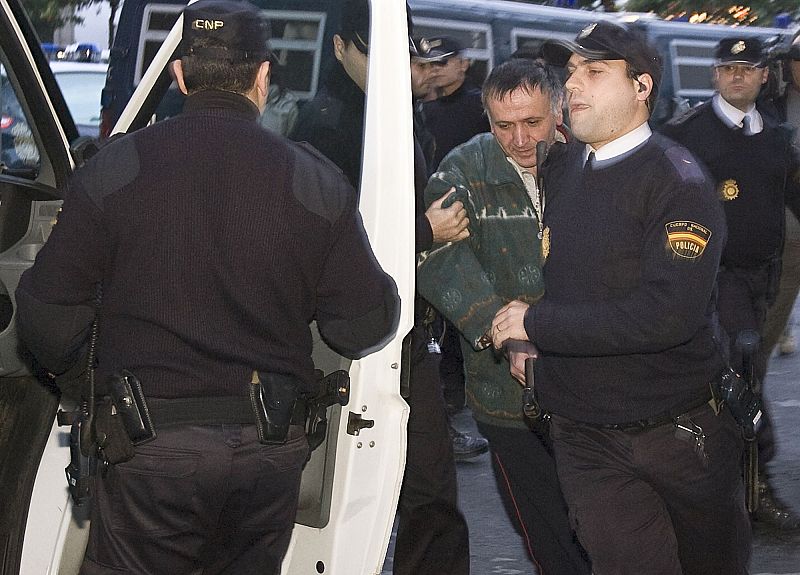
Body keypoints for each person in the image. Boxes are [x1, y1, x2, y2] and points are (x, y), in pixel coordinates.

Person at [14, 1, 400, 573]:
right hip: (269, 452)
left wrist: (92, 385)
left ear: (179, 75)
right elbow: (366, 323)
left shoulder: (114, 170)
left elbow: (44, 314)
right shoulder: (314, 179)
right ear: (263, 77)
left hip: (149, 446)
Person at [492, 21, 750, 574]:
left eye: (594, 71)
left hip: (676, 433)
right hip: (584, 437)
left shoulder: (677, 183)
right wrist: (531, 340)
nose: (572, 84)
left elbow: (666, 316)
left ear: (641, 86)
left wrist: (537, 325)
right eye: (571, 72)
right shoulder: (563, 167)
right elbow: (567, 278)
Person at [292, 2, 471, 573]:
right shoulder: (328, 125)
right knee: (367, 492)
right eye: (370, 51)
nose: (386, 63)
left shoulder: (386, 107)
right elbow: (328, 239)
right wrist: (425, 230)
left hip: (402, 327)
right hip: (353, 333)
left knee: (429, 492)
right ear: (340, 48)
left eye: (396, 51)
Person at [416, 58, 591, 575]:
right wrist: (504, 330)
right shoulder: (465, 169)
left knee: (603, 522)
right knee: (547, 531)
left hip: (593, 387)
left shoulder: (592, 159)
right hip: (506, 396)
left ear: (558, 110)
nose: (519, 140)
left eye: (532, 123)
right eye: (503, 125)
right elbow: (439, 257)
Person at [661, 36, 800, 531]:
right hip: (713, 278)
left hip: (765, 276)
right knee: (739, 365)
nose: (737, 76)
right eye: (728, 68)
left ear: (764, 75)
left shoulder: (777, 137)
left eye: (747, 68)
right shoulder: (686, 134)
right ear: (715, 76)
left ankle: (736, 484)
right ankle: (752, 485)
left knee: (743, 373)